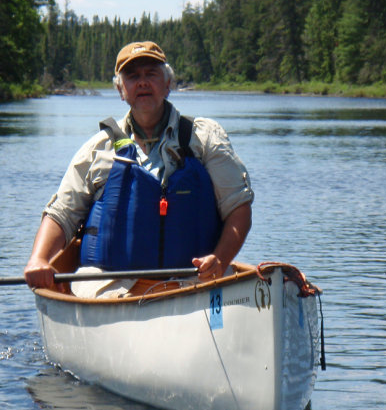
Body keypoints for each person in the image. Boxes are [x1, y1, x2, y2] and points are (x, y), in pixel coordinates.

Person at [23, 41, 253, 289]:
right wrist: (38, 259)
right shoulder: (98, 148)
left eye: (151, 74)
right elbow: (62, 213)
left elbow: (238, 208)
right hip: (110, 283)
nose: (142, 82)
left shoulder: (205, 138)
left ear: (167, 85)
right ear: (121, 90)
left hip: (195, 281)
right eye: (132, 76)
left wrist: (219, 259)